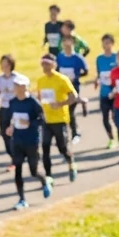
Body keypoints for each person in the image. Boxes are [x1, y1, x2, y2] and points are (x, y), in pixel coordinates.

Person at [4, 74, 49, 209]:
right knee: (17, 170)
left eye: (18, 86)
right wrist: (10, 127)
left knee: (33, 171)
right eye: (15, 86)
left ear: (25, 88)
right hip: (17, 140)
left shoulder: (33, 103)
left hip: (31, 141)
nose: (16, 88)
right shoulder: (12, 102)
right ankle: (22, 199)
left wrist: (30, 122)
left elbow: (42, 120)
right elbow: (11, 118)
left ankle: (44, 180)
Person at [35, 54, 78, 183]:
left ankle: (71, 164)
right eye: (43, 64)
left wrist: (60, 104)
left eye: (47, 64)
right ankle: (49, 176)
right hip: (46, 120)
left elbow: (73, 97)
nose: (45, 67)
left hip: (60, 119)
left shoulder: (62, 79)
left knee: (62, 148)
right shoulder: (41, 81)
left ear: (54, 65)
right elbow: (39, 98)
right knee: (45, 148)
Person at [55, 36, 89, 141]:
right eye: (64, 42)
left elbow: (86, 71)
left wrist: (76, 76)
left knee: (70, 110)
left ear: (73, 43)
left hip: (73, 87)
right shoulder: (60, 57)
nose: (66, 44)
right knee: (62, 110)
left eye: (68, 42)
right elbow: (56, 70)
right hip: (61, 88)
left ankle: (74, 133)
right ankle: (65, 132)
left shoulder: (78, 58)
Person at [0, 55, 21, 158]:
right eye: (2, 64)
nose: (4, 67)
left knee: (15, 131)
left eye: (7, 64)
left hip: (15, 107)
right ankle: (11, 153)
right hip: (4, 107)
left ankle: (17, 154)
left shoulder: (17, 78)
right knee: (4, 132)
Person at [94, 35, 119, 149]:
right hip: (104, 92)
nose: (106, 45)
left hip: (116, 92)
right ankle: (111, 139)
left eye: (108, 43)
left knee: (115, 117)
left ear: (112, 44)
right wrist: (97, 80)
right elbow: (99, 73)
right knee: (105, 118)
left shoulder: (116, 57)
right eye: (104, 43)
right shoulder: (99, 59)